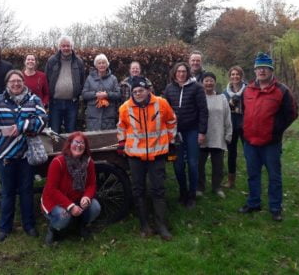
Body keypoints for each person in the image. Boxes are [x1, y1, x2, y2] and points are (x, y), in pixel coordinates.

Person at [0, 70, 48, 242]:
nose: (16, 84)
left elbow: (43, 119)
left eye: (19, 81)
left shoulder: (33, 100)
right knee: (8, 192)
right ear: (7, 83)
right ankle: (4, 227)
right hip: (5, 154)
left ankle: (29, 225)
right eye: (12, 81)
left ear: (23, 82)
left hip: (26, 155)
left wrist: (24, 125)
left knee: (26, 191)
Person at [239, 53, 298, 222]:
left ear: (271, 70)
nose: (261, 71)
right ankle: (253, 202)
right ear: (255, 70)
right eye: (258, 68)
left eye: (265, 68)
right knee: (252, 174)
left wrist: (276, 129)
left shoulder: (282, 90)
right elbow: (244, 111)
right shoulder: (248, 90)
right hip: (250, 141)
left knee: (274, 176)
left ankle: (275, 207)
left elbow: (292, 113)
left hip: (270, 143)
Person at [117, 76, 177, 241]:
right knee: (139, 190)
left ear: (148, 90)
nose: (138, 94)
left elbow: (171, 121)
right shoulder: (125, 108)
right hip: (135, 156)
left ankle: (161, 225)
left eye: (141, 91)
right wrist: (122, 144)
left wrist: (170, 141)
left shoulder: (161, 103)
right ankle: (144, 225)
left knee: (158, 189)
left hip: (157, 154)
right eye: (135, 91)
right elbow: (121, 127)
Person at [41, 132, 101, 245]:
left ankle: (80, 226)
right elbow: (51, 189)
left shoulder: (89, 162)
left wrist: (87, 197)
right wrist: (70, 206)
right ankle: (54, 229)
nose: (79, 145)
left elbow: (91, 185)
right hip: (55, 201)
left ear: (86, 146)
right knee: (63, 216)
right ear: (69, 144)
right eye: (76, 142)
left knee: (95, 207)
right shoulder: (58, 162)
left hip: (77, 198)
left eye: (82, 143)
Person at [163, 62, 208, 208]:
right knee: (178, 165)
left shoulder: (197, 88)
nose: (181, 74)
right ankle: (183, 192)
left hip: (192, 130)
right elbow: (164, 110)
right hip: (176, 132)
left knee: (193, 164)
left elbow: (203, 110)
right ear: (174, 73)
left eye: (184, 71)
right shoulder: (169, 89)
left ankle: (192, 195)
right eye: (179, 71)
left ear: (187, 73)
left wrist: (202, 132)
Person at [198, 72, 232, 198]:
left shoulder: (222, 98)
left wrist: (229, 133)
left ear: (215, 82)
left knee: (218, 165)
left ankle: (217, 187)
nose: (209, 83)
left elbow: (227, 117)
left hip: (218, 136)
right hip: (202, 136)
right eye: (206, 80)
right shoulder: (198, 98)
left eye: (211, 80)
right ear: (202, 83)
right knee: (199, 164)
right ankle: (200, 187)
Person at [45, 35, 85, 134]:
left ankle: (70, 150)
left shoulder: (78, 61)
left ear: (72, 47)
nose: (66, 48)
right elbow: (46, 79)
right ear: (60, 47)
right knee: (54, 131)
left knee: (71, 131)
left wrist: (78, 95)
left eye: (68, 46)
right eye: (63, 46)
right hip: (55, 102)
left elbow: (82, 80)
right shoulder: (52, 60)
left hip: (72, 103)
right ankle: (55, 150)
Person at [222, 66, 247, 188]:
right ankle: (231, 181)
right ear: (229, 76)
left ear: (241, 76)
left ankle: (253, 177)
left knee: (248, 152)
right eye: (232, 74)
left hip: (245, 124)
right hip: (231, 124)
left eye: (237, 74)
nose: (235, 76)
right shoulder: (225, 93)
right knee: (232, 153)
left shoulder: (248, 90)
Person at [82, 54, 120, 131]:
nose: (101, 65)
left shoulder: (113, 79)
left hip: (108, 116)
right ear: (96, 65)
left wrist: (107, 95)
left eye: (103, 63)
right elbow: (84, 94)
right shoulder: (90, 78)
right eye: (99, 63)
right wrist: (96, 94)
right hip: (93, 116)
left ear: (107, 64)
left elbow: (118, 94)